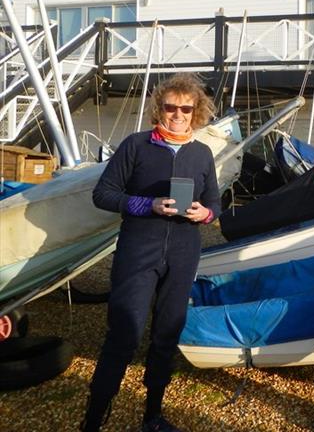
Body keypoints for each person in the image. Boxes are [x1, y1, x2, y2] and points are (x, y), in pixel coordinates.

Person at [81, 73, 220, 432]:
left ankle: (153, 415)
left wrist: (204, 213)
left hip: (183, 253)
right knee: (123, 333)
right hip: (138, 251)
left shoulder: (202, 153)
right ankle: (93, 419)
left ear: (196, 111)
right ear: (159, 108)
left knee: (167, 334)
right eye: (170, 107)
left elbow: (215, 204)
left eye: (185, 108)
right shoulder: (136, 145)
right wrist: (148, 204)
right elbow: (104, 194)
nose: (178, 114)